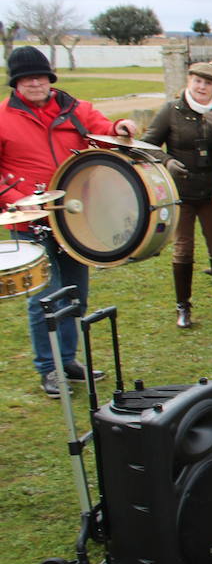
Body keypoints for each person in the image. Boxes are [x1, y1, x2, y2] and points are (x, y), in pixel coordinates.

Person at [1, 47, 138, 397]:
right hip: (29, 220)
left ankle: (69, 360)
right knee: (46, 298)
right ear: (16, 83)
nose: (35, 83)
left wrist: (119, 128)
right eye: (26, 78)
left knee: (76, 293)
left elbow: (102, 131)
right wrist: (13, 199)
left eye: (40, 76)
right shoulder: (3, 117)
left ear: (50, 78)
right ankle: (49, 369)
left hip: (75, 215)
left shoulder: (75, 110)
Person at [141, 62, 212, 329]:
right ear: (189, 82)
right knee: (183, 249)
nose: (202, 87)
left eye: (207, 83)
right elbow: (147, 144)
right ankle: (183, 306)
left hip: (211, 192)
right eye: (197, 81)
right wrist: (167, 161)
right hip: (180, 191)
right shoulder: (172, 110)